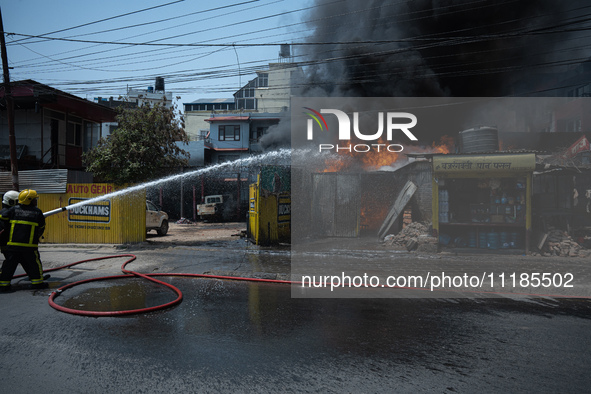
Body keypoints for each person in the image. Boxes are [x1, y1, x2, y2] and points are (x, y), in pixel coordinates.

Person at [0, 189, 47, 292]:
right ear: (29, 200)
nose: (36, 201)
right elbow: (41, 227)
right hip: (30, 247)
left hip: (13, 246)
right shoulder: (37, 212)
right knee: (34, 264)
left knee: (8, 266)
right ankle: (37, 283)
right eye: (35, 199)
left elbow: (2, 218)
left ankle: (4, 285)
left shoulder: (12, 210)